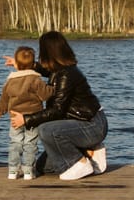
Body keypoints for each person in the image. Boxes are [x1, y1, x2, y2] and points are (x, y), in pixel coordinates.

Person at [9, 31, 108, 181]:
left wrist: (27, 119)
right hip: (79, 123)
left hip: (92, 125)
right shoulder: (58, 70)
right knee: (43, 167)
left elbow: (56, 110)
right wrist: (24, 65)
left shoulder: (66, 75)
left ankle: (80, 163)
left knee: (46, 130)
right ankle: (89, 152)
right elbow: (46, 70)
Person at [0, 46, 54, 180]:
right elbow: (45, 95)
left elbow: (3, 100)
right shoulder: (35, 80)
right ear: (33, 65)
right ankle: (28, 170)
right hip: (33, 118)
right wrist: (54, 88)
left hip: (14, 118)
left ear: (16, 65)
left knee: (15, 143)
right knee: (30, 144)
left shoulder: (10, 82)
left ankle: (13, 170)